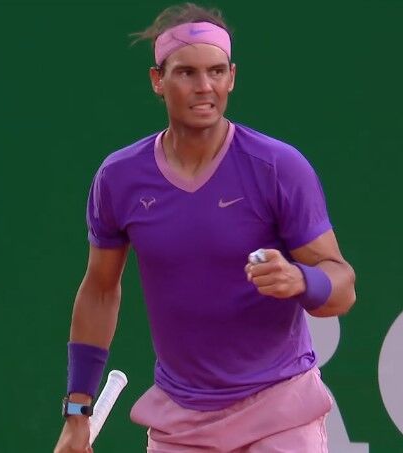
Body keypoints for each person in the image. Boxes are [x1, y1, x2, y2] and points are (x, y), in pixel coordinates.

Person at [54, 4, 356, 452]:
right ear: (158, 81)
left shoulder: (278, 167)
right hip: (181, 423)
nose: (204, 86)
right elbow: (99, 291)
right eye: (186, 73)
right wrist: (78, 412)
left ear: (231, 77)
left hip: (279, 412)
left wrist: (300, 279)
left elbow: (342, 288)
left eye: (216, 71)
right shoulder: (119, 178)